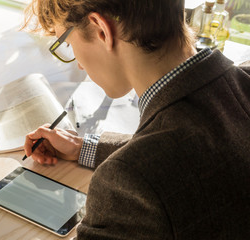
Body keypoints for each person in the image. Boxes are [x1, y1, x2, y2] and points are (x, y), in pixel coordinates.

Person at [22, 0, 250, 239]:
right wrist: (83, 148)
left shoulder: (129, 185)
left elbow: (156, 164)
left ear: (101, 29)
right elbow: (190, 144)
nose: (79, 64)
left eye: (68, 44)